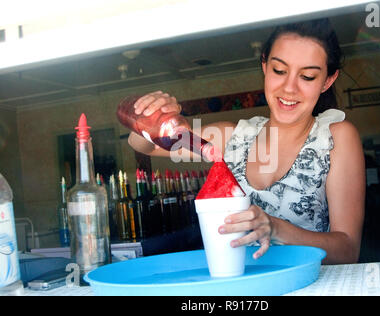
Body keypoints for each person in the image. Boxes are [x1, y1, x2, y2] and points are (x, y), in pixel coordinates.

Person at [128, 18, 365, 264]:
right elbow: (143, 145)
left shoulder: (335, 138)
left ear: (327, 80)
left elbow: (348, 250)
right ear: (265, 65)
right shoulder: (231, 138)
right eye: (279, 71)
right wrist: (153, 115)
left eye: (307, 76)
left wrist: (276, 228)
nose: (289, 88)